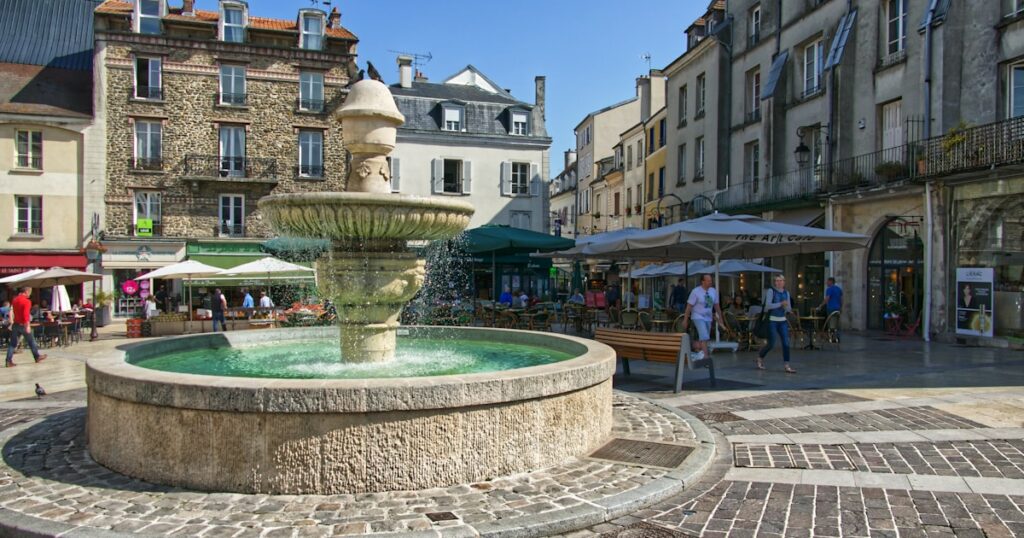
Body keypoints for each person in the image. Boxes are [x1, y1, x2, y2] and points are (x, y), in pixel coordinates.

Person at [757, 275, 796, 373]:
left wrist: (788, 309)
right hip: (772, 320)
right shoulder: (771, 291)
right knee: (772, 343)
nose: (779, 282)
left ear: (784, 282)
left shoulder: (786, 293)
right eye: (777, 281)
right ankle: (760, 357)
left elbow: (788, 308)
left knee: (786, 343)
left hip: (782, 320)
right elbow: (767, 306)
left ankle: (787, 365)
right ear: (775, 282)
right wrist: (780, 304)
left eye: (781, 280)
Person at [681, 274, 724, 361]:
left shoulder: (713, 291)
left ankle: (697, 349)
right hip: (697, 316)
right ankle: (705, 356)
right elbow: (689, 306)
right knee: (704, 335)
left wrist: (720, 319)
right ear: (703, 281)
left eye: (711, 280)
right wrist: (685, 320)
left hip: (708, 316)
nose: (710, 282)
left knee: (705, 337)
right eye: (708, 281)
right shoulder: (695, 291)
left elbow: (716, 306)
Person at [5, 287, 47, 367]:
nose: (30, 294)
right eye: (29, 292)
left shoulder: (15, 300)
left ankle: (8, 360)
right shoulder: (27, 301)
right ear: (26, 291)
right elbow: (25, 314)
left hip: (16, 324)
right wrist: (27, 325)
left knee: (12, 344)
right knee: (31, 342)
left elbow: (13, 311)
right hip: (23, 324)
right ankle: (37, 356)